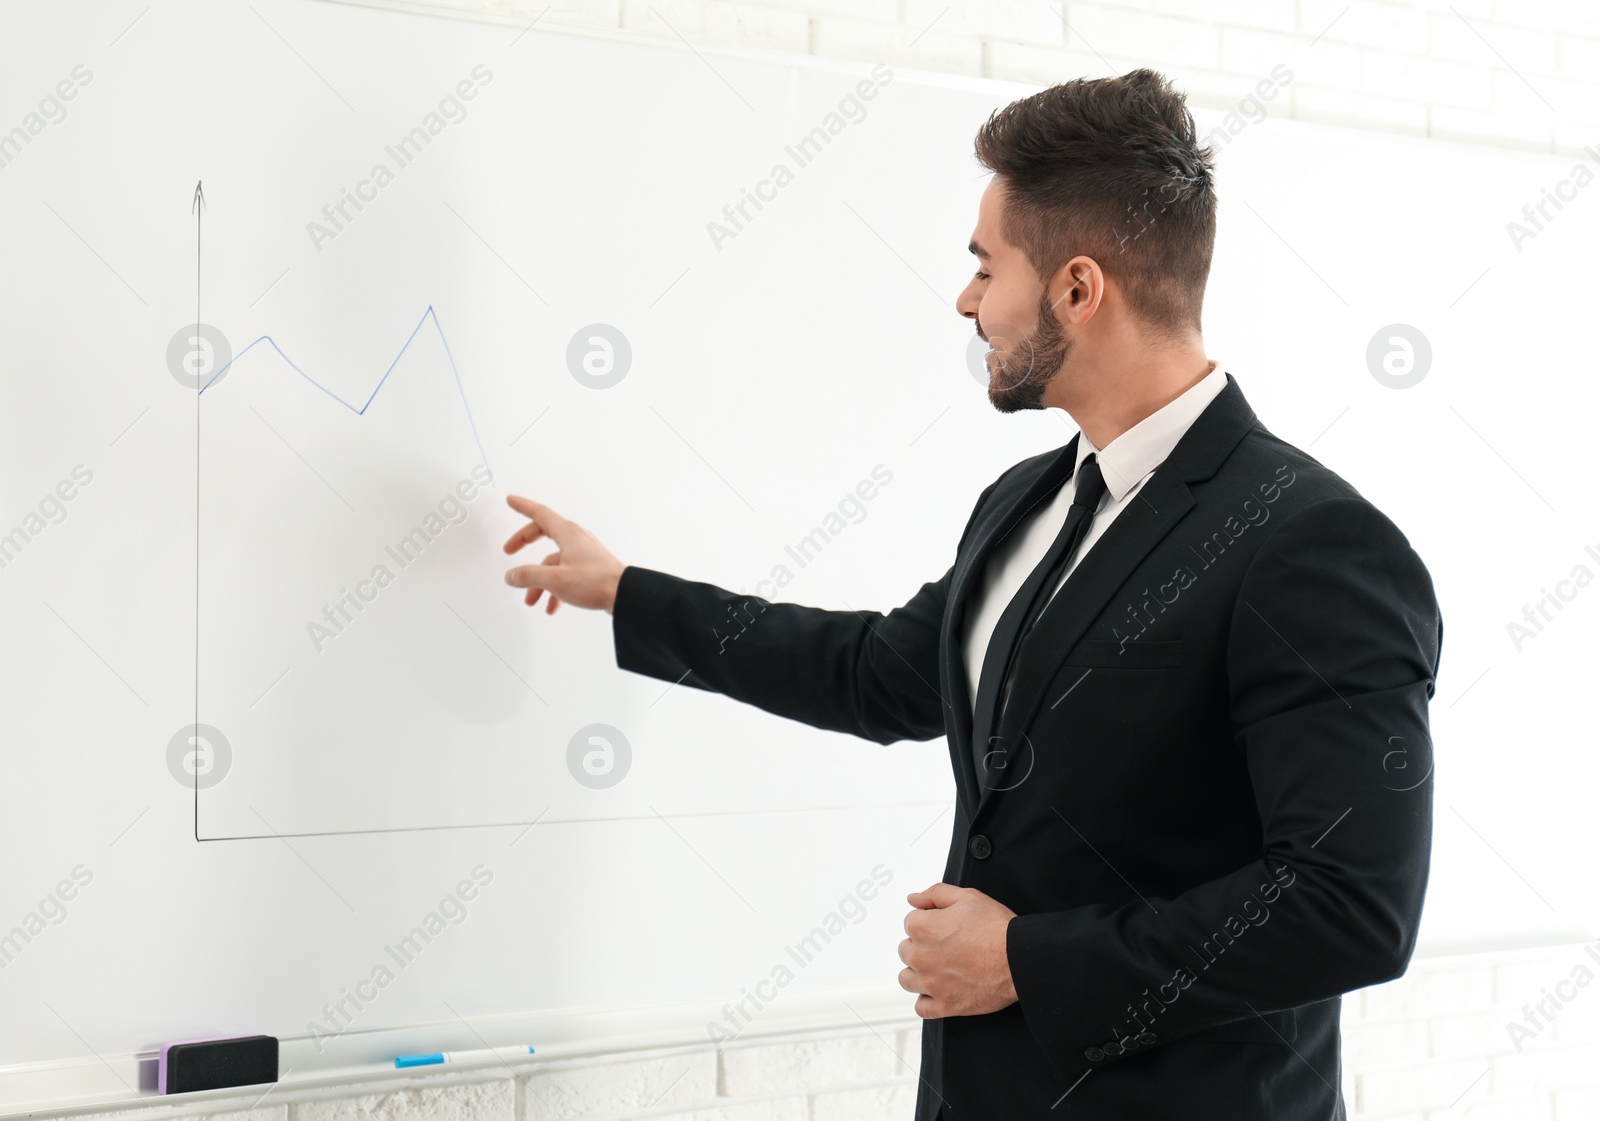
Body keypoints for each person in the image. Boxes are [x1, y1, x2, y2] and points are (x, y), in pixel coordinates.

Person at [500, 68, 1442, 1121]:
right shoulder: (1027, 501)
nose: (965, 301)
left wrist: (1025, 960)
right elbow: (877, 675)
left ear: (1078, 290)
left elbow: (1348, 905)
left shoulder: (1309, 543)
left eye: (984, 266)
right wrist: (626, 591)